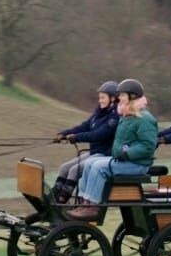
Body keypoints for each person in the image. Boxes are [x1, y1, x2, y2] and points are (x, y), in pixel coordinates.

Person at [67, 79, 157, 219]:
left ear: (132, 96)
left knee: (98, 167)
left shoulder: (145, 118)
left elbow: (148, 146)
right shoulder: (126, 115)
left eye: (122, 95)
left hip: (137, 164)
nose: (119, 98)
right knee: (90, 163)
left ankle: (93, 207)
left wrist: (127, 152)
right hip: (124, 160)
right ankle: (84, 203)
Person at [50, 81, 119, 201]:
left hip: (104, 154)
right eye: (99, 98)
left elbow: (98, 135)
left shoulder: (114, 117)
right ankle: (51, 198)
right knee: (64, 168)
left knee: (74, 170)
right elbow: (85, 126)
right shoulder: (99, 113)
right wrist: (64, 133)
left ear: (112, 98)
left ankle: (60, 201)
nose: (100, 100)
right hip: (94, 152)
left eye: (103, 98)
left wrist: (77, 137)